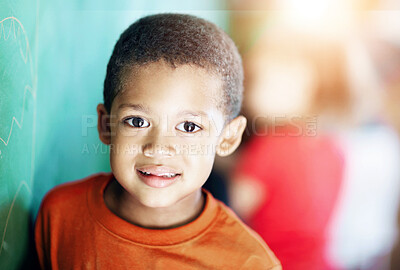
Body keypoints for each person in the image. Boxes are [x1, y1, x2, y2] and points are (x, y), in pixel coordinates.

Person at [34, 13, 281, 269]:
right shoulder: (60, 214)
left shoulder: (249, 263)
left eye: (189, 126)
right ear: (106, 125)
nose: (159, 148)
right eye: (137, 122)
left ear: (227, 138)